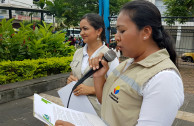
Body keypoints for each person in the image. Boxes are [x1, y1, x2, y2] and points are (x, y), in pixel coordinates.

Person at [55, 1, 184, 126]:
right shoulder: (127, 64)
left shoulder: (164, 78)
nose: (116, 37)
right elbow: (105, 103)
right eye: (117, 31)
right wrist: (99, 77)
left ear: (146, 32)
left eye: (122, 31)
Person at [66, 13, 119, 116]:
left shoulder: (109, 57)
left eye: (85, 29)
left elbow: (116, 90)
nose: (81, 33)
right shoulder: (78, 53)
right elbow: (73, 74)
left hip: (96, 112)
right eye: (80, 29)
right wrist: (70, 80)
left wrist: (91, 90)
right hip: (74, 106)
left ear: (99, 31)